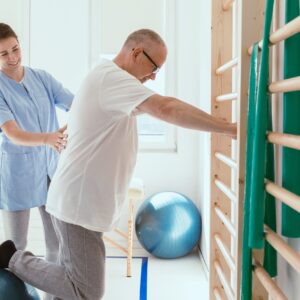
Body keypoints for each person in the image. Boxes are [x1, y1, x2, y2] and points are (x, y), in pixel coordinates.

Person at [0, 29, 236, 299]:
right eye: (154, 66)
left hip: (81, 203)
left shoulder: (112, 83)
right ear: (136, 53)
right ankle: (13, 257)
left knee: (71, 279)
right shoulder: (112, 79)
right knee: (86, 290)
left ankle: (15, 258)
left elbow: (149, 109)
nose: (154, 76)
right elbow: (166, 107)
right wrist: (228, 129)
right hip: (78, 206)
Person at [0, 21, 73, 291]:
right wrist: (48, 138)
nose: (13, 58)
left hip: (49, 172)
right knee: (15, 247)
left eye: (15, 49)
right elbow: (12, 132)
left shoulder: (42, 77)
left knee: (56, 243)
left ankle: (51, 295)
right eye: (4, 54)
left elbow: (74, 103)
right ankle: (18, 296)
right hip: (16, 175)